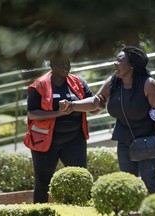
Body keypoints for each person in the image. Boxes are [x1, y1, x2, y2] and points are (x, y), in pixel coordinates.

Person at [60, 46, 155, 193]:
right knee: (127, 180)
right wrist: (72, 106)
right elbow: (96, 104)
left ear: (131, 65)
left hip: (148, 140)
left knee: (149, 178)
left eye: (120, 60)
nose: (115, 63)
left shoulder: (149, 84)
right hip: (124, 140)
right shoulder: (112, 82)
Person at [26, 53, 97, 203]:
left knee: (80, 178)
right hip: (46, 142)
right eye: (61, 63)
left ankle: (82, 210)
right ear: (51, 66)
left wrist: (73, 106)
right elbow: (32, 113)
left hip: (74, 139)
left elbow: (92, 102)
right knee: (43, 182)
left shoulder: (78, 82)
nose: (65, 66)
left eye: (67, 63)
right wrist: (58, 112)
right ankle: (40, 212)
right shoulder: (39, 85)